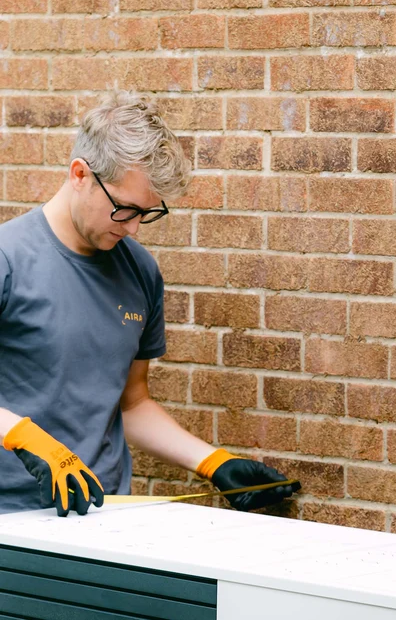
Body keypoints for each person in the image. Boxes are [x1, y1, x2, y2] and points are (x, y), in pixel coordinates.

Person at [0, 92, 299, 517]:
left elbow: (133, 403)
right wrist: (23, 435)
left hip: (104, 514)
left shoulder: (140, 270)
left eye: (146, 212)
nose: (135, 228)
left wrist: (214, 463)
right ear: (80, 174)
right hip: (12, 518)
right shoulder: (8, 258)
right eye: (124, 209)